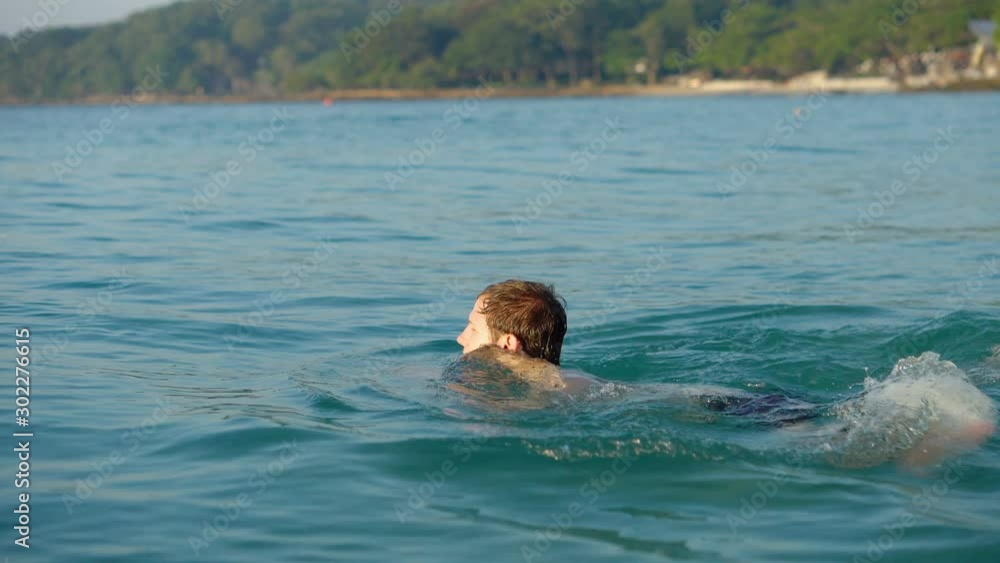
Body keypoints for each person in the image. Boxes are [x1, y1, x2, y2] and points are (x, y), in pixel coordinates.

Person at [453, 279, 996, 467]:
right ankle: (964, 389)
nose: (459, 340)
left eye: (470, 330)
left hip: (733, 410)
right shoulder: (558, 382)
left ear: (508, 345)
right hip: (731, 401)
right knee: (846, 421)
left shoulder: (533, 382)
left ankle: (954, 415)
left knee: (837, 442)